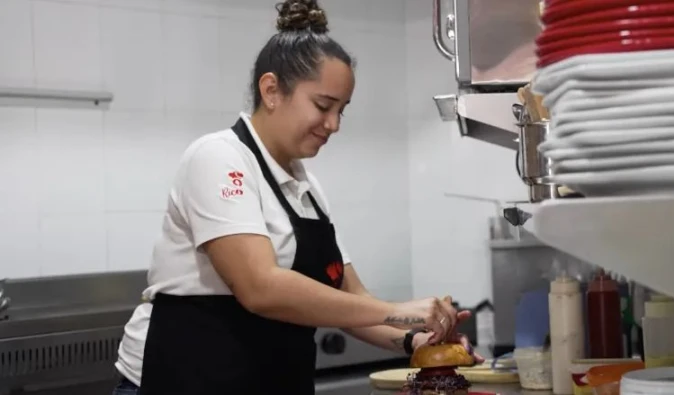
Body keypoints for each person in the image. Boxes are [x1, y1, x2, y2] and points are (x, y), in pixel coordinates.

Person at [111, 1, 482, 394]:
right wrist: (398, 312)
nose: (334, 124)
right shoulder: (217, 157)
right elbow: (260, 287)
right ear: (271, 90)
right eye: (323, 105)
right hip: (183, 381)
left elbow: (348, 299)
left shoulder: (306, 187)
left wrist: (413, 339)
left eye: (342, 110)